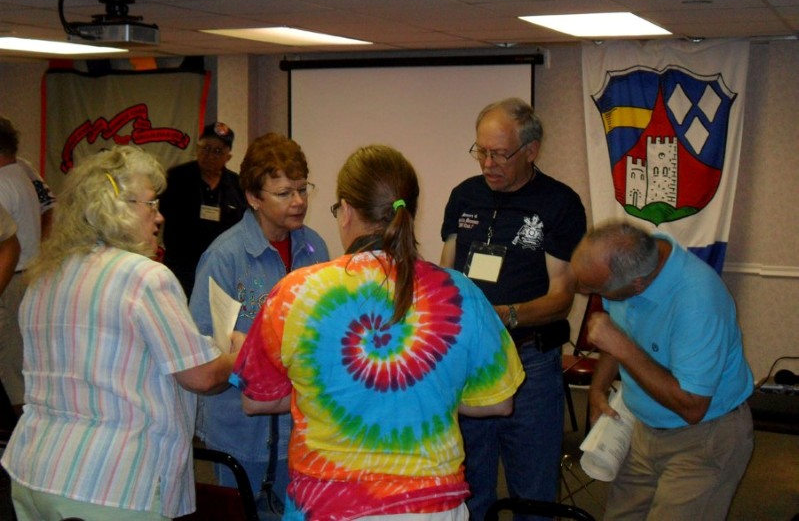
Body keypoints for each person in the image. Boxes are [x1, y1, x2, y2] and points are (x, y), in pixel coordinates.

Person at [231, 144, 525, 520]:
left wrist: (333, 390)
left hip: (328, 507)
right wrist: (424, 392)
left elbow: (255, 400)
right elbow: (498, 402)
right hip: (433, 507)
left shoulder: (295, 293)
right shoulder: (461, 292)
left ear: (347, 211)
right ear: (410, 212)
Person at [1, 145, 243, 520]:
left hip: (34, 471)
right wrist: (240, 354)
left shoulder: (44, 277)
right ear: (113, 206)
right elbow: (201, 375)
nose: (159, 217)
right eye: (150, 204)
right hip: (111, 484)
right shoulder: (144, 277)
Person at [440, 97, 586, 519]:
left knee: (533, 493)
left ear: (531, 151)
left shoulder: (559, 203)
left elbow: (562, 296)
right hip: (469, 363)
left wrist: (504, 316)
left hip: (530, 362)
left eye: (500, 153)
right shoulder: (463, 196)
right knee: (469, 489)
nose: (488, 163)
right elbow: (447, 271)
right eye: (481, 151)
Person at [571, 221, 754, 520]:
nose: (582, 292)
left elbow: (693, 407)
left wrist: (622, 348)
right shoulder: (632, 261)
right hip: (643, 429)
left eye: (593, 289)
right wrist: (597, 389)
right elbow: (616, 329)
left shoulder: (698, 301)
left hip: (703, 439)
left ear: (638, 284)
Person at [190, 132, 329, 515]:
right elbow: (204, 349)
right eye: (285, 193)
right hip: (240, 430)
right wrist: (255, 360)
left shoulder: (315, 247)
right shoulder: (225, 257)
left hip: (301, 430)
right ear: (253, 198)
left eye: (303, 189)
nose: (299, 201)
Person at [161, 121, 247, 296]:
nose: (210, 156)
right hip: (181, 270)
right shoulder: (176, 178)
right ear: (197, 149)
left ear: (228, 157)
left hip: (222, 270)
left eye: (217, 151)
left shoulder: (237, 185)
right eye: (206, 148)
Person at [0, 116, 43, 412]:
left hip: (12, 278)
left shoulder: (3, 183)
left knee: (12, 365)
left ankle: (22, 435)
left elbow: (8, 246)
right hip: (29, 273)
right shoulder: (22, 172)